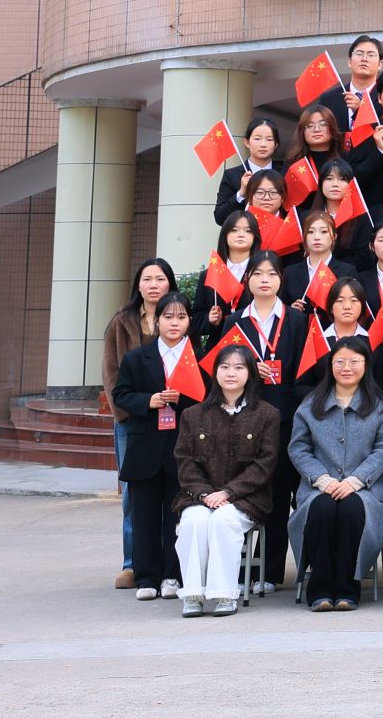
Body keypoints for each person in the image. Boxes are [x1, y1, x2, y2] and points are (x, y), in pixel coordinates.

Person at [288, 338, 383, 611]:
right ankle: (320, 590)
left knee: (351, 509)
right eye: (340, 361)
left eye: (354, 362)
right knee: (323, 509)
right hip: (319, 486)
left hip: (366, 489)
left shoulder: (381, 406)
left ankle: (348, 589)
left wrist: (356, 480)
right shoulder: (311, 405)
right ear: (330, 365)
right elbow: (299, 448)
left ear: (366, 365)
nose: (346, 367)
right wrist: (322, 479)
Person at [171, 342, 280, 618]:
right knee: (194, 521)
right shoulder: (193, 415)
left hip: (246, 499)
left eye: (239, 367)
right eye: (225, 367)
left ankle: (224, 594)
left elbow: (264, 465)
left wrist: (229, 492)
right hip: (199, 497)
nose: (231, 373)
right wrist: (204, 494)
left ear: (250, 373)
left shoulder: (267, 414)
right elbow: (185, 462)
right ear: (215, 372)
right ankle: (192, 594)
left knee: (223, 520)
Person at [113, 292, 200, 601]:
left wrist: (183, 399)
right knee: (144, 516)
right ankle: (146, 576)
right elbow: (121, 395)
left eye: (181, 317)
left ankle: (172, 575)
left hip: (183, 449)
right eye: (168, 317)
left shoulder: (198, 358)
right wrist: (148, 401)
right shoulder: (137, 358)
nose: (174, 323)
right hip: (145, 446)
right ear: (156, 321)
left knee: (177, 516)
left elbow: (209, 400)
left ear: (189, 322)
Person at [103, 257, 176, 589]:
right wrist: (127, 413)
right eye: (147, 279)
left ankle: (166, 564)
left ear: (169, 283)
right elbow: (111, 372)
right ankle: (132, 563)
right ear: (138, 285)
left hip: (172, 419)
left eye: (160, 279)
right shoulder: (122, 322)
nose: (153, 285)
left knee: (170, 489)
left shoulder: (180, 319)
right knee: (134, 494)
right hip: (133, 418)